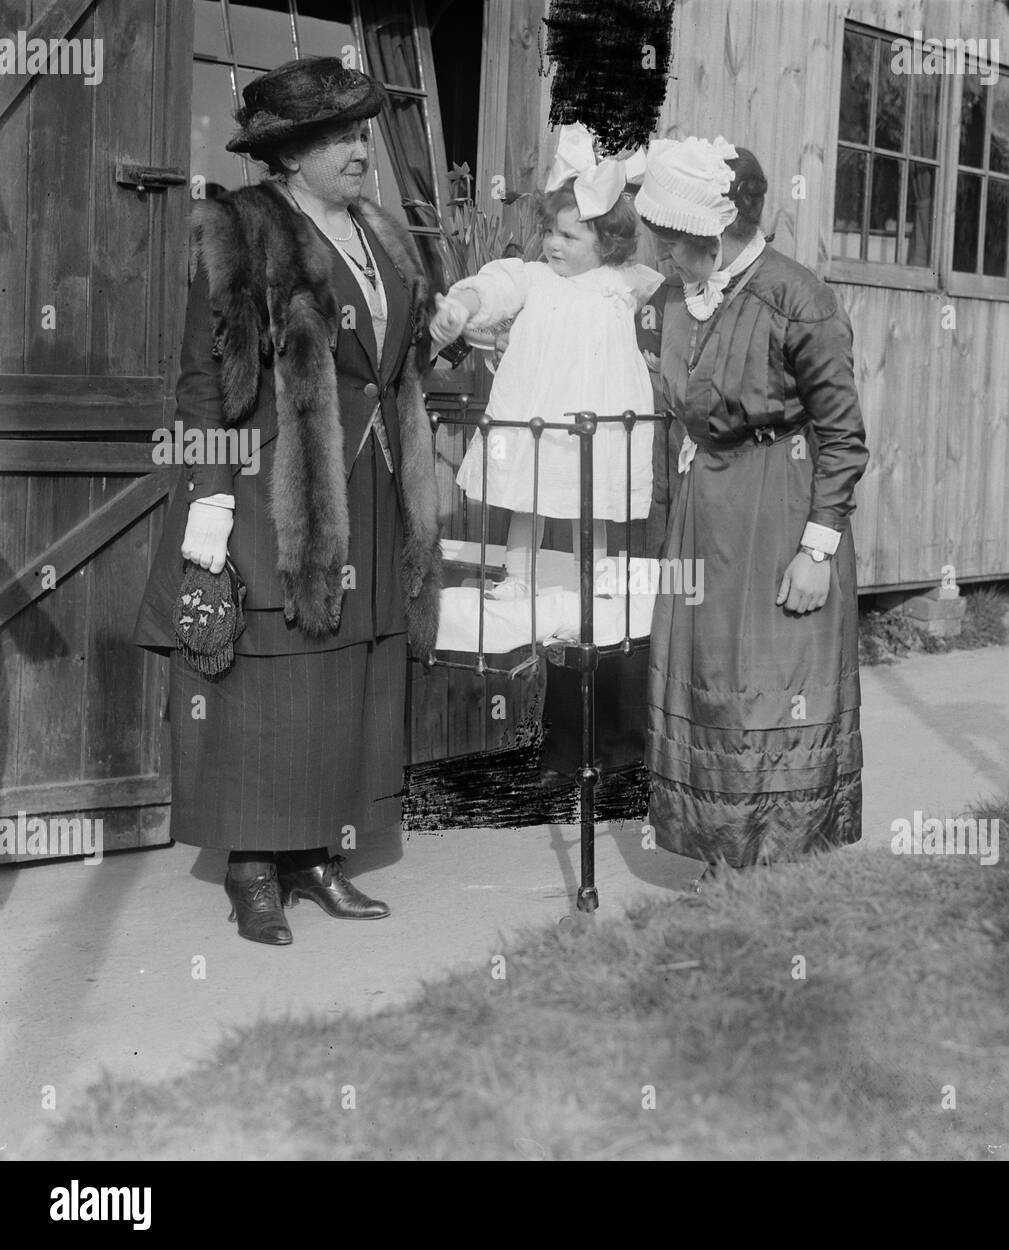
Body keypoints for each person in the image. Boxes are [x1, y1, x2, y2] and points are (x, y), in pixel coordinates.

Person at [133, 57, 443, 944]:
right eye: (340, 137)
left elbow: (395, 363)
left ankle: (317, 854)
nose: (360, 152)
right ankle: (251, 868)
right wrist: (209, 500)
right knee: (267, 674)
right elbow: (205, 378)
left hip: (372, 489)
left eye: (362, 135)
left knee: (345, 671)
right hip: (284, 490)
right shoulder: (243, 229)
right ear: (290, 152)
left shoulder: (379, 231)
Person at [634, 137, 869, 869]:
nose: (666, 259)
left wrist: (817, 547)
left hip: (780, 504)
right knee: (712, 687)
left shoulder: (797, 298)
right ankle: (721, 851)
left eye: (676, 244)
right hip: (706, 513)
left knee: (774, 687)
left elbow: (842, 435)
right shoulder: (671, 300)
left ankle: (778, 859)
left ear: (719, 229)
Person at [430, 124, 661, 597]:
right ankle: (518, 577)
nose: (553, 244)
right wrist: (462, 307)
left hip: (595, 415)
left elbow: (669, 299)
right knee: (526, 497)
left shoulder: (621, 283)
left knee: (591, 502)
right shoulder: (535, 278)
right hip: (536, 408)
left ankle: (593, 583)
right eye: (549, 232)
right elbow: (493, 287)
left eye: (569, 237)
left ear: (606, 244)